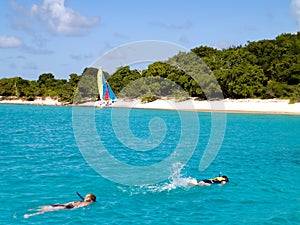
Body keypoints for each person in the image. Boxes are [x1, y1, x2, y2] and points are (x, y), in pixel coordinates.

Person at [24, 193, 96, 218]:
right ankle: (30, 215)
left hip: (62, 204)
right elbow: (80, 206)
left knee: (45, 208)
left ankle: (32, 209)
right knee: (44, 211)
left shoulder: (78, 201)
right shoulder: (86, 203)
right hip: (66, 207)